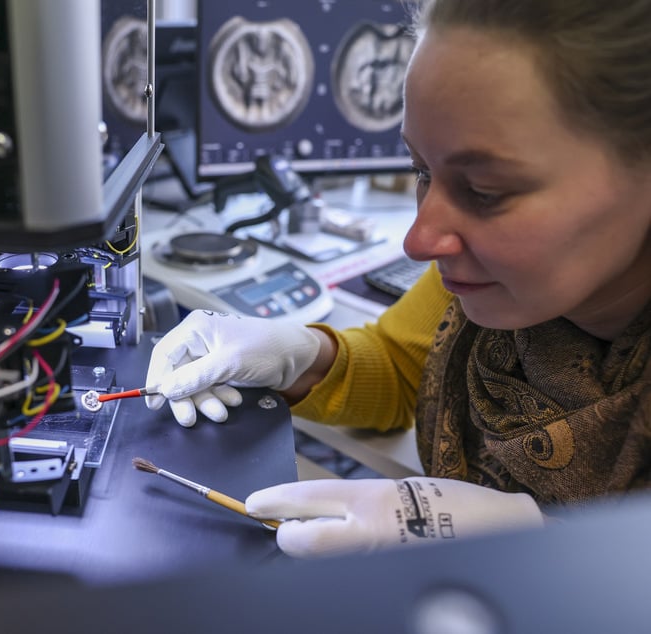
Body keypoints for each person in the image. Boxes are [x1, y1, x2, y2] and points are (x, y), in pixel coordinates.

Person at [144, 0, 651, 558]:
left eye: (485, 191)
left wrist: (553, 547)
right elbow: (403, 365)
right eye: (421, 171)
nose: (420, 241)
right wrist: (298, 355)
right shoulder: (486, 288)